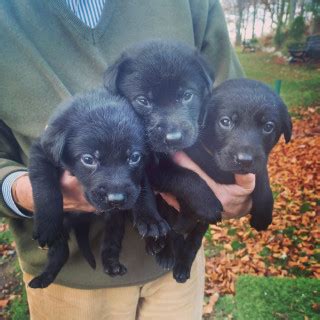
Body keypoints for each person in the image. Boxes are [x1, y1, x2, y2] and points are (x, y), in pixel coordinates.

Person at [0, 1, 255, 319]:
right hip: (75, 281)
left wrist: (238, 182)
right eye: (145, 102)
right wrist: (29, 193)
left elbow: (233, 104)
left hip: (177, 256)